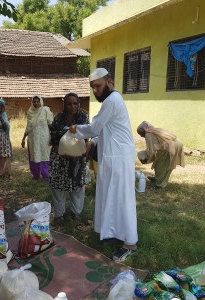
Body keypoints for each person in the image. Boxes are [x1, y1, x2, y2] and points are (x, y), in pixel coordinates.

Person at [69, 68, 138, 262]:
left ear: (110, 82)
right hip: (111, 157)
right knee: (110, 195)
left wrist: (77, 130)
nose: (95, 91)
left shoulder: (112, 100)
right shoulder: (112, 100)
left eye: (98, 86)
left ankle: (130, 243)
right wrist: (94, 141)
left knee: (122, 198)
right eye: (92, 88)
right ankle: (112, 232)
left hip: (119, 158)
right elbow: (105, 129)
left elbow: (95, 126)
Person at [50, 93, 89, 224]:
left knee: (77, 185)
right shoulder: (59, 118)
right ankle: (59, 214)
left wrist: (75, 152)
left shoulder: (83, 117)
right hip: (59, 157)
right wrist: (61, 150)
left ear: (78, 104)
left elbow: (86, 137)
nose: (72, 106)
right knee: (58, 186)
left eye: (75, 103)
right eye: (69, 103)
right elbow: (53, 136)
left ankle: (76, 213)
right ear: (64, 105)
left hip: (77, 159)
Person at [137, 121, 185, 189]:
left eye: (140, 133)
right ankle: (158, 178)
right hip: (176, 144)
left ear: (143, 131)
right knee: (163, 165)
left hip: (169, 147)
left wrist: (146, 159)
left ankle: (159, 185)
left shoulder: (148, 134)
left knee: (162, 166)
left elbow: (151, 150)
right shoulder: (155, 130)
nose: (140, 136)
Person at [21, 95, 53, 180]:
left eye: (37, 101)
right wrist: (23, 138)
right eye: (34, 101)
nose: (35, 103)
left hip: (44, 138)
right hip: (33, 138)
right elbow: (28, 126)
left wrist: (52, 137)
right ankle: (36, 175)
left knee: (44, 155)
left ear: (41, 102)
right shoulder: (30, 112)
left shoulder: (45, 110)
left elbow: (50, 124)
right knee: (34, 155)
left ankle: (46, 174)